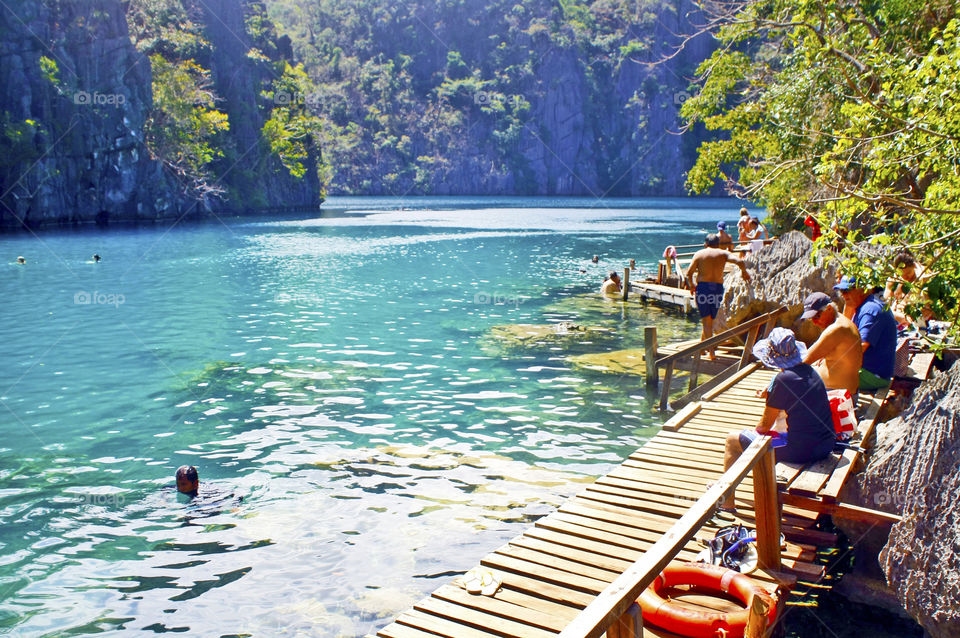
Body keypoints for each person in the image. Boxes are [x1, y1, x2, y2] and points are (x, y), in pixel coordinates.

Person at [722, 328, 836, 509]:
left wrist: (770, 401)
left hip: (802, 450)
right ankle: (727, 486)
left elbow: (763, 428)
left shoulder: (782, 380)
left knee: (733, 440)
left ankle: (726, 501)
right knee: (759, 439)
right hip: (826, 444)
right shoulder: (811, 371)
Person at [685, 234, 751, 359]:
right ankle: (701, 347)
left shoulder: (699, 254)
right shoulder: (723, 253)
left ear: (705, 244)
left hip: (703, 288)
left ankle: (711, 352)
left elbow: (689, 273)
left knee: (706, 320)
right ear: (718, 244)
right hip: (717, 289)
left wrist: (692, 285)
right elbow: (740, 261)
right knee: (710, 320)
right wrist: (744, 272)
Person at [834, 276, 897, 390]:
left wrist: (832, 358)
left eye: (847, 291)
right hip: (870, 370)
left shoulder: (870, 310)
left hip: (874, 376)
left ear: (862, 289)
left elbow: (861, 346)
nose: (844, 295)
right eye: (842, 291)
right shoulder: (865, 305)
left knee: (824, 376)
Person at [799, 292, 862, 398]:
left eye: (817, 316)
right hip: (840, 392)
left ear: (829, 308)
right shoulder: (842, 321)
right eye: (811, 318)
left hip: (836, 397)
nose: (815, 322)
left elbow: (802, 362)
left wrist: (774, 385)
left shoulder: (836, 329)